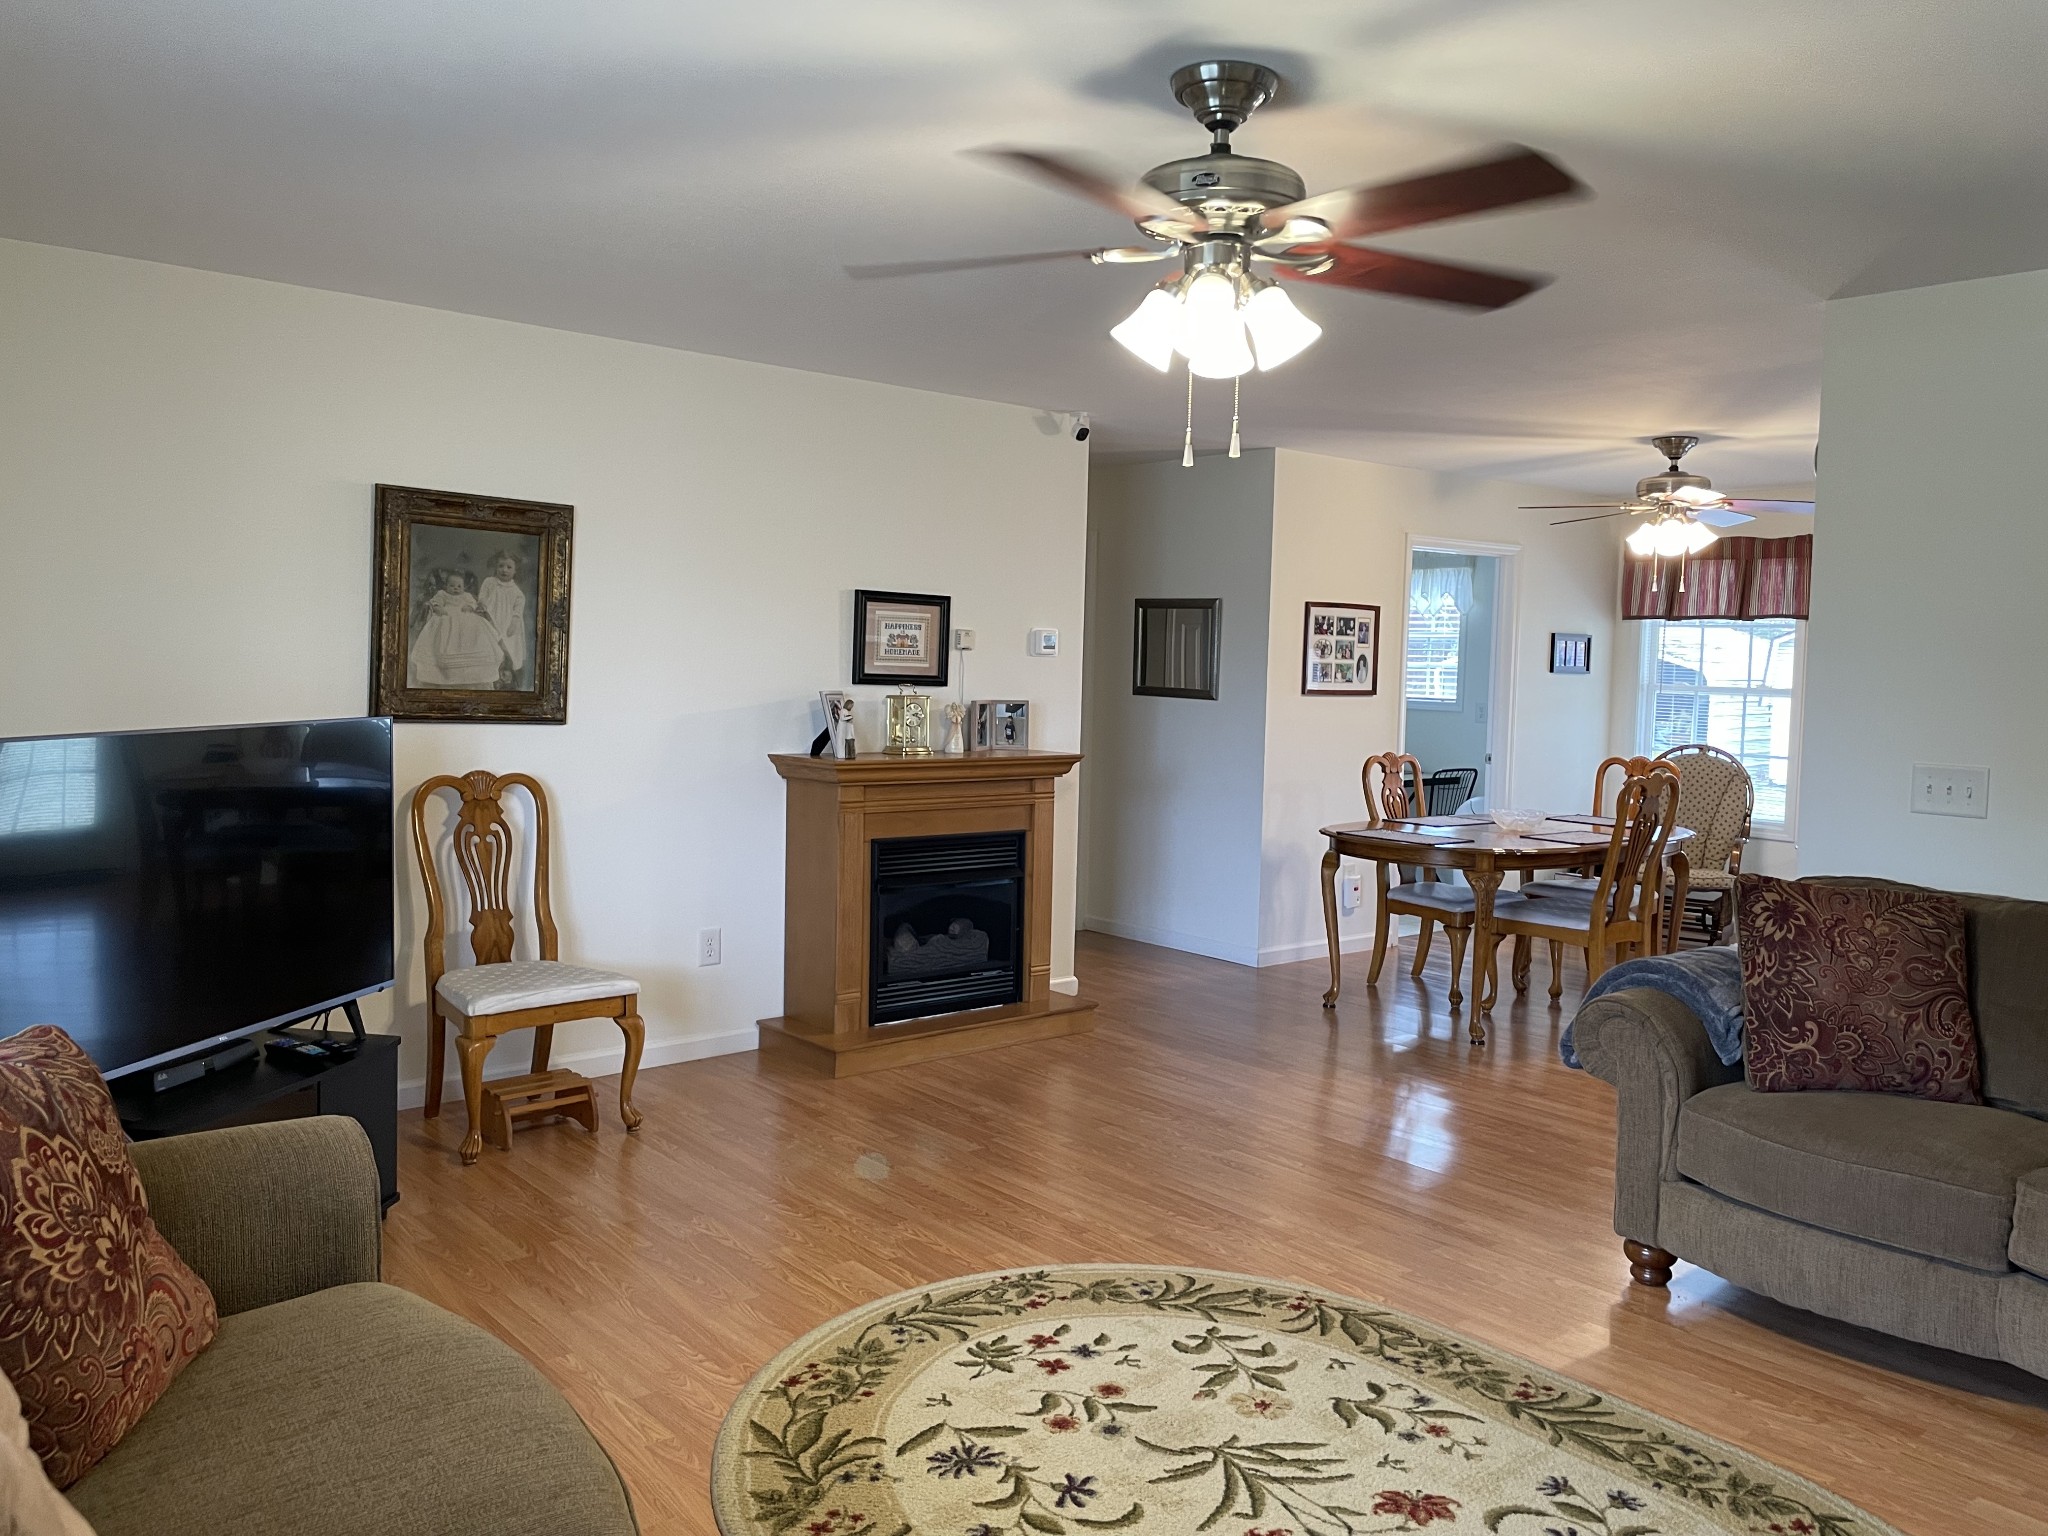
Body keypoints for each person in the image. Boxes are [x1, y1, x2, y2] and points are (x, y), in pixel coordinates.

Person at [409, 569, 504, 688]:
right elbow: (435, 603)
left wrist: (469, 607)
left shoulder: (466, 596)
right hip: (446, 619)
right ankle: (443, 673)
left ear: (464, 587)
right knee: (441, 638)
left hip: (465, 621)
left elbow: (473, 604)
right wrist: (438, 608)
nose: (456, 588)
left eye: (459, 586)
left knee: (476, 629)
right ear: (446, 586)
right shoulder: (442, 594)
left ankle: (470, 672)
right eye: (452, 585)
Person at [476, 549, 528, 686]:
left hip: (507, 625)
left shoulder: (517, 593)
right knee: (490, 646)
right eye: (501, 566)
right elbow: (482, 596)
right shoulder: (489, 582)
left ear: (515, 570)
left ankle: (507, 676)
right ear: (496, 567)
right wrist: (481, 605)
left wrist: (514, 623)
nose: (504, 570)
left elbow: (517, 612)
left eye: (509, 567)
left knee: (507, 648)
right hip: (490, 619)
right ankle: (490, 675)